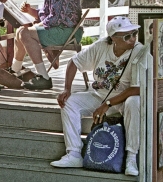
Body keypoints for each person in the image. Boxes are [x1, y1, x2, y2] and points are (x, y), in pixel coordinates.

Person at [51, 16, 144, 177]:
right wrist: (67, 89)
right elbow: (74, 62)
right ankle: (73, 153)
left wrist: (107, 103)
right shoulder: (101, 46)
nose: (133, 39)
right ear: (114, 38)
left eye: (134, 34)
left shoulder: (139, 50)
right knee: (69, 103)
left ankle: (131, 157)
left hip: (122, 99)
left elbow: (137, 89)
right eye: (127, 36)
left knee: (134, 102)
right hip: (99, 96)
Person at [9, 0, 82, 90]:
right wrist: (30, 12)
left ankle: (44, 78)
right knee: (21, 31)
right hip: (63, 29)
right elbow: (48, 14)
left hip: (68, 32)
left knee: (24, 33)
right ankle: (14, 71)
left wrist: (35, 27)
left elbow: (54, 19)